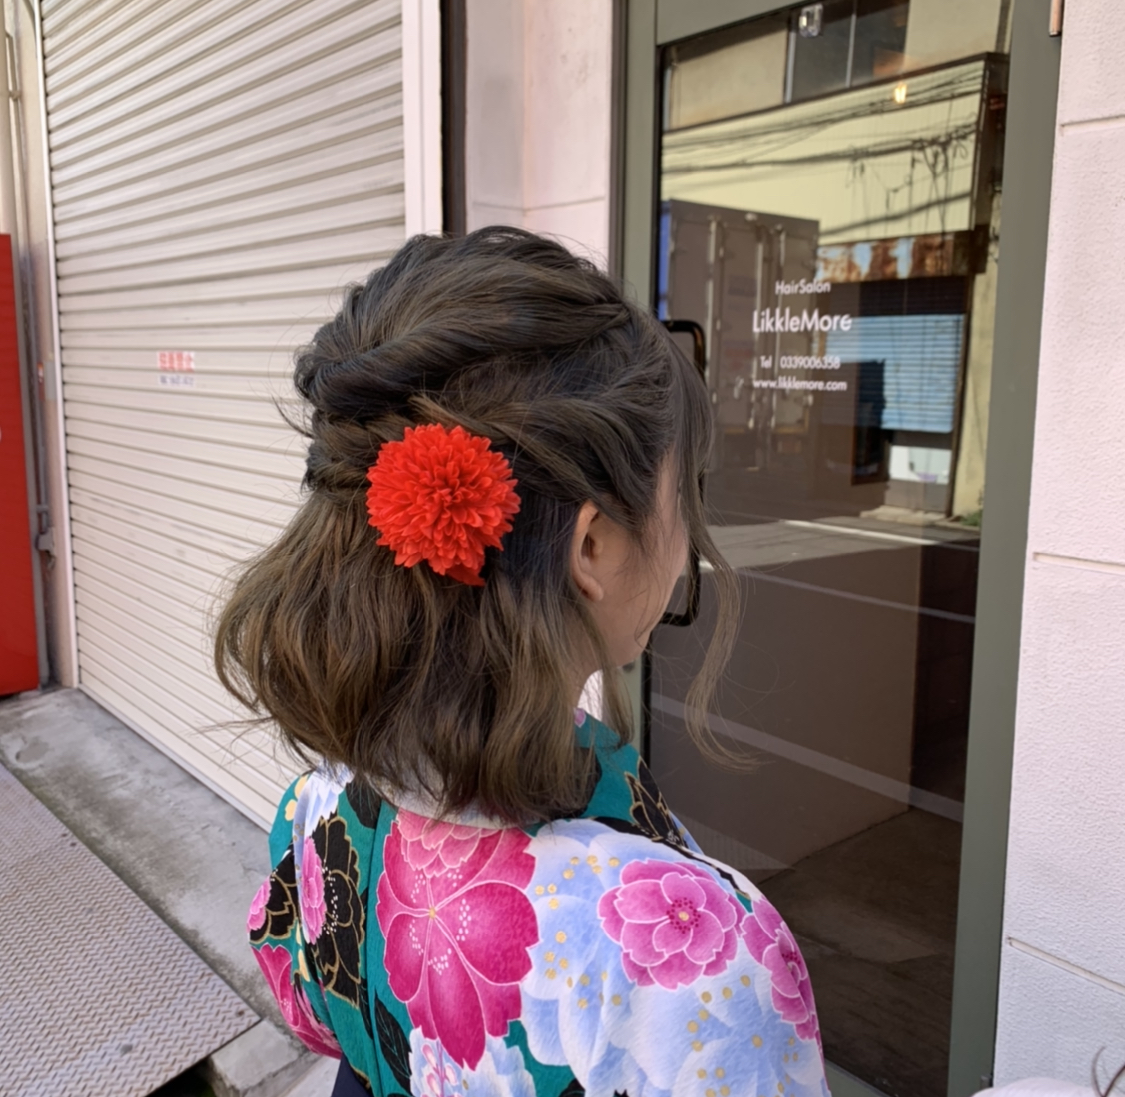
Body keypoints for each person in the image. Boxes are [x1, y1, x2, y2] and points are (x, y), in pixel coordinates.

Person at [216, 228, 829, 1097]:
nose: (687, 536)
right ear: (592, 544)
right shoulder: (702, 961)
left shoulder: (317, 807)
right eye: (680, 492)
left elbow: (315, 1012)